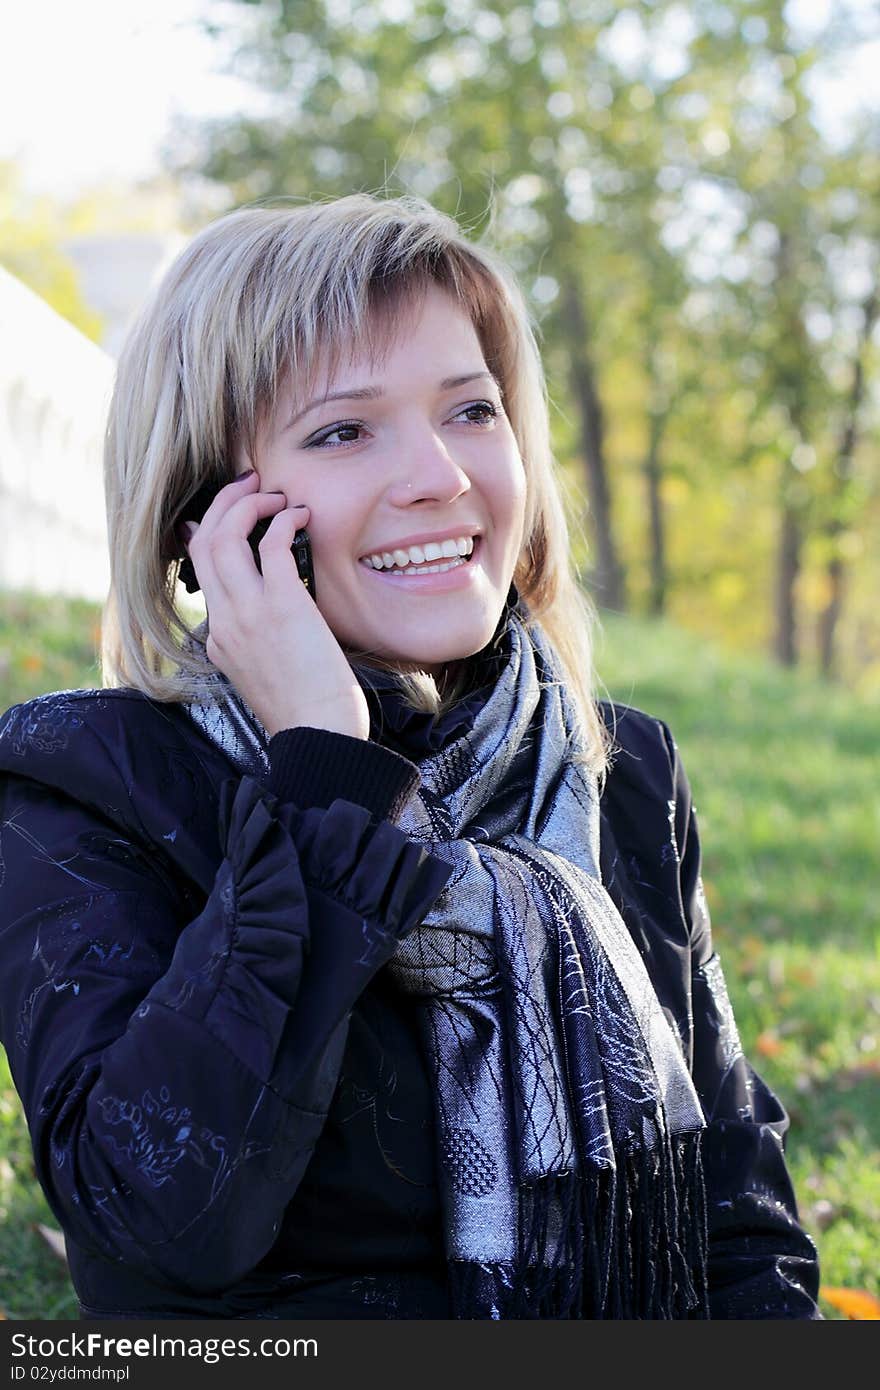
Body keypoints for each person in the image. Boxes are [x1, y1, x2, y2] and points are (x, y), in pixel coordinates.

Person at [0, 194, 820, 1320]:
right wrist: (320, 780)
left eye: (471, 410)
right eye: (343, 431)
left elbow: (738, 1226)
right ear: (207, 515)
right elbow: (160, 1216)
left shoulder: (614, 769)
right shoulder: (89, 781)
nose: (440, 474)